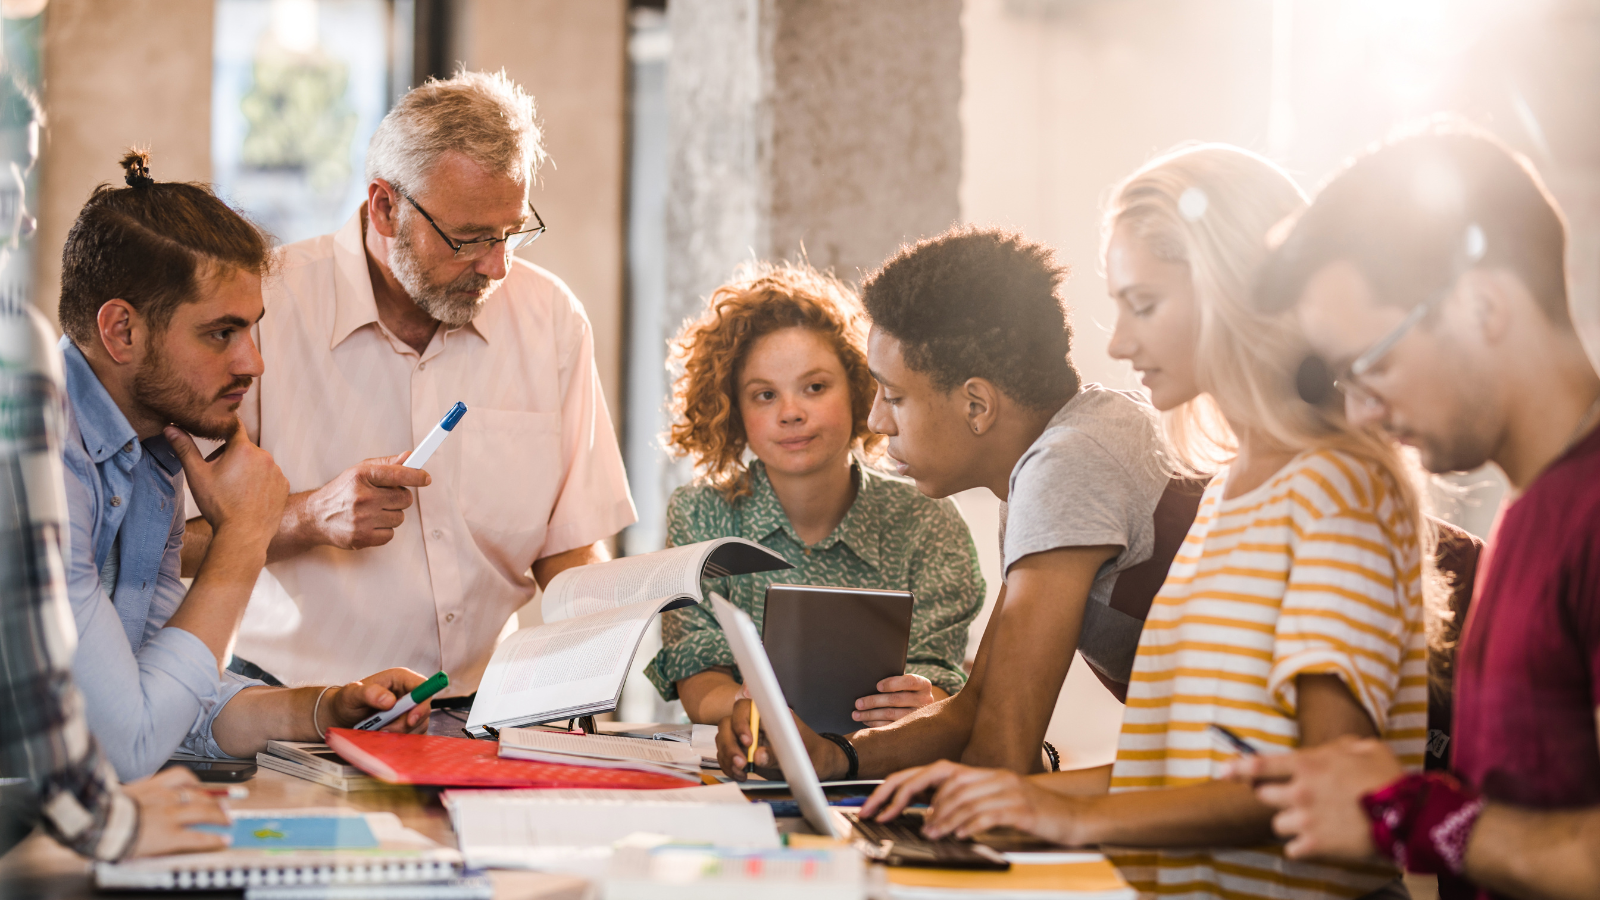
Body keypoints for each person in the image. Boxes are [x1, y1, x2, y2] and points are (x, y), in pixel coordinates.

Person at [859, 146, 1433, 900]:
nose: (1120, 342)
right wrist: (1016, 799)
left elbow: (1330, 790)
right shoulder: (1230, 493)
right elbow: (1178, 776)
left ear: (1233, 292)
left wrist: (1063, 817)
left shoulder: (1337, 489)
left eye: (1145, 304)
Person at [1228, 127, 1600, 900]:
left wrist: (1413, 817)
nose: (1361, 412)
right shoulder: (1532, 515)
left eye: (1375, 364)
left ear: (1481, 305)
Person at [180, 69, 636, 696]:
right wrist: (310, 516)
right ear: (385, 206)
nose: (496, 265)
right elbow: (171, 546)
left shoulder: (551, 320)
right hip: (287, 710)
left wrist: (616, 638)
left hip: (480, 713)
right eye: (469, 238)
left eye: (511, 233)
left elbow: (569, 550)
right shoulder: (264, 312)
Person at [720, 225, 1190, 780]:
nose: (876, 421)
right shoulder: (1064, 447)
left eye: (894, 396)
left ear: (977, 405)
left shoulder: (1068, 465)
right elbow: (976, 707)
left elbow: (1002, 755)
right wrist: (833, 756)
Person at [58, 151, 433, 780]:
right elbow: (129, 742)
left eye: (253, 330)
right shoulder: (43, 463)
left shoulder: (152, 452)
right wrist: (243, 536)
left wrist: (324, 709)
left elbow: (170, 693)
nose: (253, 364)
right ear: (121, 331)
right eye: (220, 333)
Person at [642, 262, 984, 727]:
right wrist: (756, 711)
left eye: (815, 387)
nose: (791, 412)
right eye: (764, 395)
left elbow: (937, 676)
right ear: (733, 409)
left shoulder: (929, 520)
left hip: (887, 763)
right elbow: (697, 679)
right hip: (746, 761)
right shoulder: (699, 513)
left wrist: (925, 701)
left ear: (862, 388)